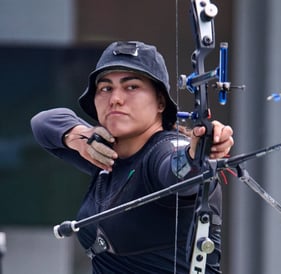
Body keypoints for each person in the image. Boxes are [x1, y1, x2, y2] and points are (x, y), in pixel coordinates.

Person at [31, 41, 234, 273]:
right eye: (105, 88)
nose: (115, 98)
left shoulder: (163, 152)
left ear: (160, 102)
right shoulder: (105, 154)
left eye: (131, 87)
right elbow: (42, 123)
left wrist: (197, 155)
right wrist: (82, 139)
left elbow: (179, 173)